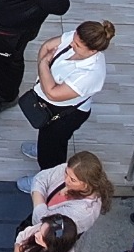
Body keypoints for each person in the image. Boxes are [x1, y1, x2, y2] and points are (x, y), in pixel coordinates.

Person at [26, 21, 116, 163]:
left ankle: (48, 176)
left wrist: (43, 65)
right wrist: (45, 72)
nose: (71, 44)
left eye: (77, 45)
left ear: (93, 51)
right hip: (50, 105)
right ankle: (42, 148)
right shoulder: (78, 37)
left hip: (65, 114)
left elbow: (53, 93)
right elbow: (47, 46)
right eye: (73, 40)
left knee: (53, 148)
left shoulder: (90, 74)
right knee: (46, 136)